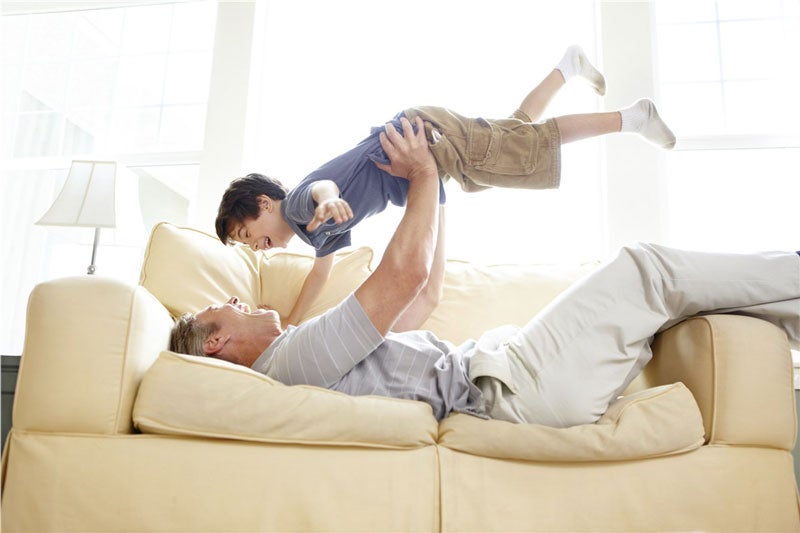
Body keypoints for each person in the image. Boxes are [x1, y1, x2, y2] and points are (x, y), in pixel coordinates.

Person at [171, 115, 799, 428]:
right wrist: (420, 174)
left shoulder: (301, 354)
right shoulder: (292, 361)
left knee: (680, 301)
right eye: (221, 306)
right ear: (219, 342)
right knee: (648, 270)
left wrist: (432, 193)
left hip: (508, 371)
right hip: (514, 388)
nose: (237, 294)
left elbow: (416, 301)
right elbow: (403, 277)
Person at [214, 45, 677, 330]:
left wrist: (331, 199)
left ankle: (633, 117)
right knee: (513, 136)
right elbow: (320, 274)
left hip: (419, 138)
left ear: (262, 204)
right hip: (424, 170)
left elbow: (321, 187)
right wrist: (293, 321)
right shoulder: (317, 234)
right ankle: (566, 67)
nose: (254, 248)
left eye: (245, 235)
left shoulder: (299, 206)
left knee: (526, 148)